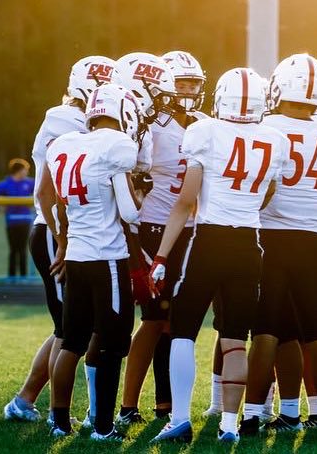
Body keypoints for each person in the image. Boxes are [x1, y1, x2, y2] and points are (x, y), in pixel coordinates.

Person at [149, 67, 290, 443]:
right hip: (248, 243)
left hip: (208, 240)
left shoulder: (205, 131)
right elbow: (268, 192)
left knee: (183, 332)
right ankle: (229, 425)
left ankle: (179, 418)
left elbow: (185, 201)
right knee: (235, 339)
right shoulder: (275, 139)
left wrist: (161, 256)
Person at [241, 53, 317, 438]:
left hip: (270, 239)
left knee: (265, 332)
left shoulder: (263, 128)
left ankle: (252, 415)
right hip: (314, 242)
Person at [3, 55, 113, 425]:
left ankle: (25, 401)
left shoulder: (82, 120)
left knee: (71, 328)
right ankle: (54, 413)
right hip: (56, 230)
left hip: (68, 231)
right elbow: (50, 191)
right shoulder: (64, 118)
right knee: (70, 330)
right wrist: (62, 239)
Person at [41, 82, 144, 441]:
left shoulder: (66, 144)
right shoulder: (116, 145)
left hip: (77, 255)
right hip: (107, 258)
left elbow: (58, 203)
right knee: (113, 346)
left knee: (72, 341)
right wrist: (141, 193)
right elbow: (129, 213)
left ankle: (58, 421)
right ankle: (103, 427)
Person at [118, 50, 207, 425]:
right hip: (154, 229)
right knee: (154, 319)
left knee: (176, 322)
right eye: (180, 84)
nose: (187, 91)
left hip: (192, 231)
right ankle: (127, 405)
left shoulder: (204, 124)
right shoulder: (150, 126)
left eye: (192, 84)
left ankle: (165, 403)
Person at [0, 158, 35, 278]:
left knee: (23, 250)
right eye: (25, 170)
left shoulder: (29, 182)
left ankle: (23, 277)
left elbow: (42, 189)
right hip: (12, 221)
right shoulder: (6, 184)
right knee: (13, 250)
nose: (27, 172)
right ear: (19, 171)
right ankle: (11, 277)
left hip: (25, 220)